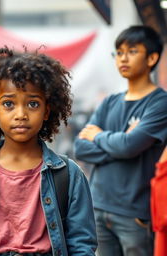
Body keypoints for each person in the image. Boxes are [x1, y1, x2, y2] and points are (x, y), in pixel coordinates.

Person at [0, 46, 97, 256]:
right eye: (8, 103)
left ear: (47, 111)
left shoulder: (69, 175)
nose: (21, 114)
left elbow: (82, 246)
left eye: (33, 104)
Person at [74, 25, 167, 256]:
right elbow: (81, 148)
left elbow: (129, 146)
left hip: (134, 212)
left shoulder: (160, 103)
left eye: (132, 51)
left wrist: (99, 136)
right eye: (119, 52)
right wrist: (124, 143)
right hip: (98, 207)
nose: (123, 58)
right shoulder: (109, 102)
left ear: (152, 57)